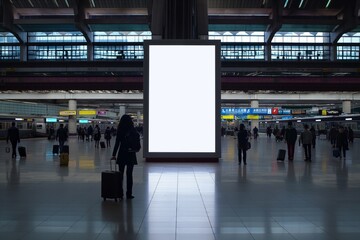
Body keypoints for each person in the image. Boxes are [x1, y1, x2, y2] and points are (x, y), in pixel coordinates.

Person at [111, 115, 138, 199]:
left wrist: (114, 155)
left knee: (120, 175)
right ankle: (129, 194)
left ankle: (120, 193)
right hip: (131, 153)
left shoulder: (120, 130)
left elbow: (117, 143)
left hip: (122, 153)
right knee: (129, 175)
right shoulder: (132, 129)